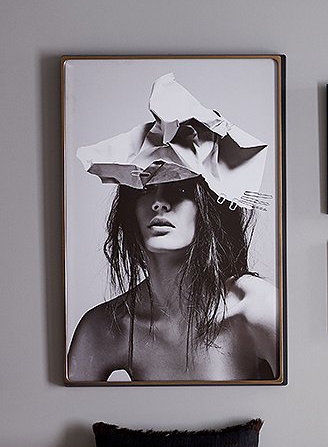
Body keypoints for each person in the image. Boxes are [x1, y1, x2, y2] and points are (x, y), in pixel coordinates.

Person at [66, 73, 278, 382]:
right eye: (145, 188)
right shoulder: (107, 325)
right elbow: (63, 414)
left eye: (180, 190)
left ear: (208, 208)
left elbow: (308, 402)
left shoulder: (254, 306)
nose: (159, 202)